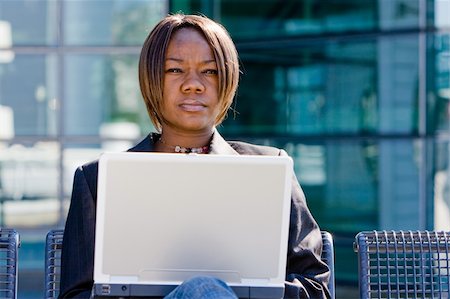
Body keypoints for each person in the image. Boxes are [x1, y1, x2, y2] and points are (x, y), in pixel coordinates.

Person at [59, 13, 330, 299]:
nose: (193, 84)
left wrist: (250, 291)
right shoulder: (98, 179)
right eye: (175, 70)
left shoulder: (271, 170)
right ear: (151, 79)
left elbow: (315, 289)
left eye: (210, 71)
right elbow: (74, 294)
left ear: (228, 80)